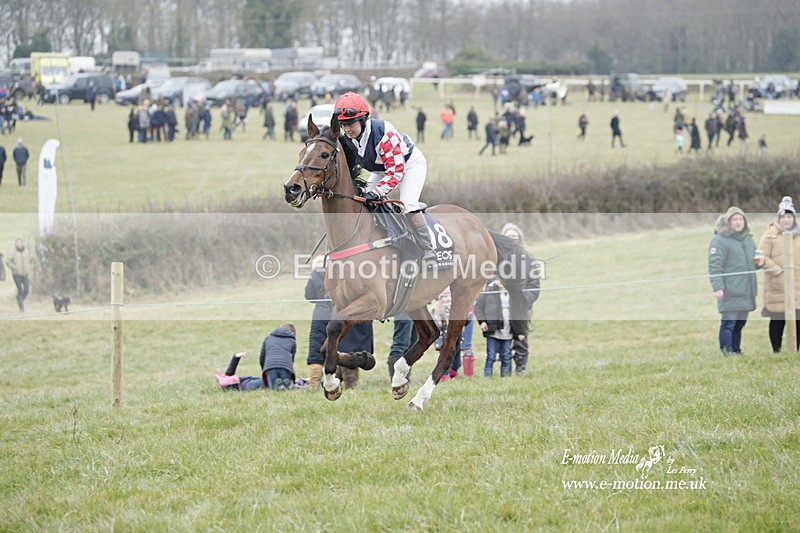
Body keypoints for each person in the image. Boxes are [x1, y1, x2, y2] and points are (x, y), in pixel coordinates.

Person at [333, 92, 435, 262]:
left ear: (364, 119)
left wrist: (377, 192)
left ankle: (428, 248)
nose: (347, 129)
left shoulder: (384, 133)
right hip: (381, 170)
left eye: (351, 123)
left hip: (409, 165)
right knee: (361, 200)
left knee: (408, 204)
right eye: (343, 125)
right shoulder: (347, 138)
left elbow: (396, 172)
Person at [305, 256, 374, 388]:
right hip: (343, 311)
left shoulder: (316, 273)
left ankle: (315, 383)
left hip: (322, 313)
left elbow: (309, 295)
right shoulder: (345, 271)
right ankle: (350, 383)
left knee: (319, 347)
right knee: (347, 346)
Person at [708, 206, 759, 355]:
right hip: (730, 290)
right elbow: (714, 266)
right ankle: (727, 352)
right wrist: (718, 287)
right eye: (734, 219)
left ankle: (736, 350)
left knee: (740, 323)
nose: (738, 222)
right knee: (728, 323)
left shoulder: (748, 240)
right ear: (728, 222)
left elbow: (752, 264)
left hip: (747, 290)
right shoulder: (719, 241)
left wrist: (759, 263)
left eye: (740, 219)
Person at [757, 196, 800, 352]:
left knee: (798, 317)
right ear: (778, 218)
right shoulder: (770, 235)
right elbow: (761, 256)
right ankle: (776, 349)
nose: (786, 220)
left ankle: (795, 349)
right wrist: (778, 271)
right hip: (777, 284)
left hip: (798, 284)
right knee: (777, 319)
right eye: (783, 217)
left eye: (789, 216)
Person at [500, 222, 539, 374]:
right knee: (500, 336)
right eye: (509, 237)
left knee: (520, 336)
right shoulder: (498, 257)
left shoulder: (528, 259)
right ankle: (504, 367)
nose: (512, 239)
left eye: (515, 237)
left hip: (520, 305)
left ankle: (520, 366)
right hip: (500, 304)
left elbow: (534, 284)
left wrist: (524, 301)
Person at [475, 278, 523, 377]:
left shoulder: (513, 294)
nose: (499, 281)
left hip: (508, 331)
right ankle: (487, 377)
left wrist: (520, 331)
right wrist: (482, 322)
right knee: (491, 356)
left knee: (506, 356)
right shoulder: (488, 293)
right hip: (493, 330)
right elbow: (478, 308)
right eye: (497, 279)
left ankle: (506, 377)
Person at [6, 237, 30, 312]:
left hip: (25, 274)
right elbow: (7, 261)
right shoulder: (13, 252)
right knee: (20, 289)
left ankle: (20, 299)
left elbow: (31, 259)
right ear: (16, 244)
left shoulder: (26, 251)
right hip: (16, 275)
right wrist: (14, 267)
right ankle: (21, 307)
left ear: (22, 243)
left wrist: (29, 267)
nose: (19, 244)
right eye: (17, 243)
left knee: (26, 290)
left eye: (20, 242)